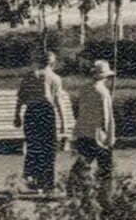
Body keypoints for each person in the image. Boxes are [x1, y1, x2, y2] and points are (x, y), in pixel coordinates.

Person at [13, 51, 67, 192]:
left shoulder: (29, 76)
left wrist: (17, 115)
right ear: (52, 63)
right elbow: (58, 101)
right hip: (46, 112)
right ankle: (47, 182)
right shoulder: (55, 78)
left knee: (33, 146)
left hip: (31, 112)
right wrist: (63, 122)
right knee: (48, 148)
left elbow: (20, 98)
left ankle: (32, 178)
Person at [69, 60, 116, 195]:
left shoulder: (84, 89)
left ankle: (73, 187)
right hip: (97, 134)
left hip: (83, 131)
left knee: (83, 161)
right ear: (105, 77)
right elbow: (107, 118)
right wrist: (110, 137)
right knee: (105, 165)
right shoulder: (103, 93)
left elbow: (78, 109)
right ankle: (105, 192)